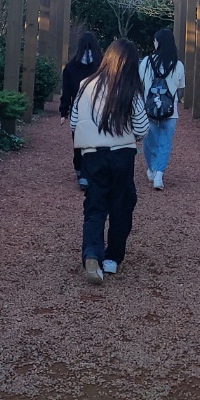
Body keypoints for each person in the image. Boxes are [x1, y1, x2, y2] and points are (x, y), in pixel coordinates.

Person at [69, 37, 149, 284]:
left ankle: (92, 253)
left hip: (92, 154)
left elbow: (74, 122)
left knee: (95, 204)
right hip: (122, 154)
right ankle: (113, 257)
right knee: (122, 203)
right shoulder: (129, 89)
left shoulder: (85, 84)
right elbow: (142, 128)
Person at [139, 28, 185, 191]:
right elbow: (180, 88)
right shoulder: (178, 65)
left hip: (149, 109)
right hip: (170, 111)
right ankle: (159, 175)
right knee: (165, 142)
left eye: (155, 41)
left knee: (148, 140)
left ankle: (151, 169)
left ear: (158, 43)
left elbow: (140, 84)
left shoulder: (146, 62)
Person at [58, 30, 102, 189]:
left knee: (79, 140)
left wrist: (64, 111)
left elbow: (67, 91)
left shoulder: (71, 67)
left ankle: (80, 171)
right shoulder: (102, 65)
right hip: (99, 108)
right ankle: (90, 171)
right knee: (96, 140)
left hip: (79, 109)